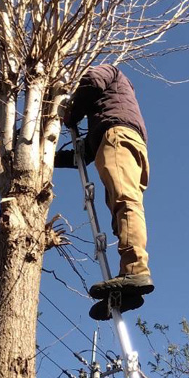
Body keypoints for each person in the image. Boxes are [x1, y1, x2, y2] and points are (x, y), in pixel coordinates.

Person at [55, 64, 153, 320]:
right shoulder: (110, 111)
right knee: (120, 212)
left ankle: (135, 270)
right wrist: (46, 160)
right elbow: (83, 154)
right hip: (118, 140)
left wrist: (69, 113)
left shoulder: (109, 72)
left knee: (125, 202)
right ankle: (129, 289)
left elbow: (92, 81)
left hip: (118, 138)